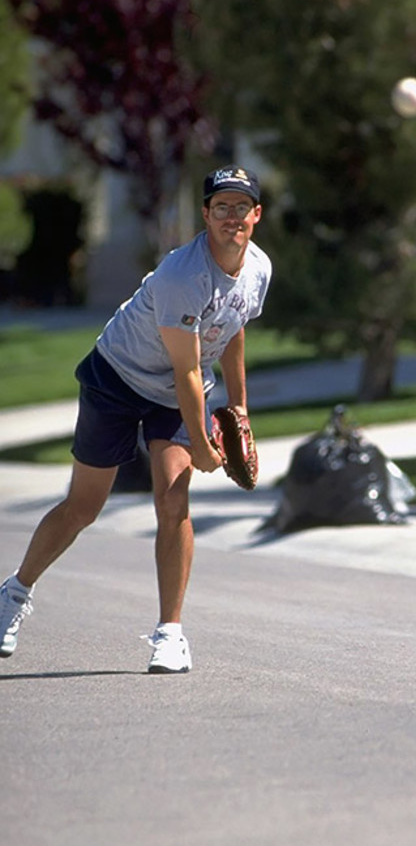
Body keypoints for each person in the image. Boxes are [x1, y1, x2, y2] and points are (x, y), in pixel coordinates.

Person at [0, 165, 272, 674]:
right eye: (222, 207)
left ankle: (170, 633)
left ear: (256, 215)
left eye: (241, 207)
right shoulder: (181, 276)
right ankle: (13, 593)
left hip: (170, 393)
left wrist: (240, 409)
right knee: (84, 507)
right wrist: (201, 440)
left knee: (173, 502)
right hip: (118, 380)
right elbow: (188, 368)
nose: (232, 216)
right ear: (206, 214)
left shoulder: (258, 268)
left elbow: (233, 330)